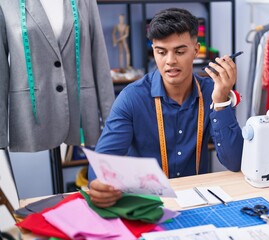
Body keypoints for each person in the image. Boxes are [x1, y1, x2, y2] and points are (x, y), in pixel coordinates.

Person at [88, 8, 243, 208]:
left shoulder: (213, 92)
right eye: (161, 52)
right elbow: (103, 164)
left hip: (198, 202)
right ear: (153, 50)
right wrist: (99, 184)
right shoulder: (132, 98)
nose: (170, 61)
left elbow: (235, 162)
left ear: (196, 51)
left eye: (180, 51)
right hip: (147, 204)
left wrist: (221, 100)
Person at [0, 0, 114, 152]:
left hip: (81, 111)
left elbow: (99, 58)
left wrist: (112, 125)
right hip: (31, 117)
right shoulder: (6, 3)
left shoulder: (85, 2)